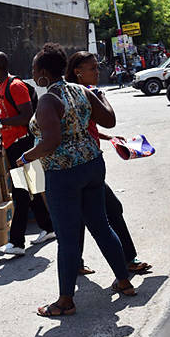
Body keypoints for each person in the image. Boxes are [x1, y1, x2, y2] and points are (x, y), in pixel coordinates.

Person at [19, 43, 135, 317]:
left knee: (68, 237)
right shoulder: (81, 90)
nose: (33, 73)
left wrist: (26, 157)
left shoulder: (49, 99)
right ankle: (124, 281)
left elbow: (51, 142)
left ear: (44, 72)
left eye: (35, 69)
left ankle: (65, 301)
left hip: (64, 174)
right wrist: (100, 96)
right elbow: (109, 120)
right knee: (102, 226)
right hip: (93, 166)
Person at [65, 51, 151, 276]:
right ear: (78, 72)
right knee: (110, 211)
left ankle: (75, 263)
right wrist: (102, 97)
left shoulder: (72, 94)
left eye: (96, 67)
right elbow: (109, 119)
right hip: (84, 167)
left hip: (82, 165)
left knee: (81, 217)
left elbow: (85, 128)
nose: (97, 72)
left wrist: (106, 138)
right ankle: (126, 263)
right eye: (92, 68)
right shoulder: (86, 94)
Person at [0, 51, 56, 255]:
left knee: (21, 193)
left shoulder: (15, 86)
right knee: (33, 188)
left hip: (24, 146)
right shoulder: (1, 86)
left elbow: (27, 117)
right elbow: (8, 115)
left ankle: (16, 243)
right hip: (13, 145)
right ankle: (49, 228)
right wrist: (2, 140)